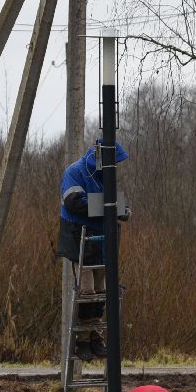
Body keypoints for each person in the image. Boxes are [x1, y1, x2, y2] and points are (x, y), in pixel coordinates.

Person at [57, 139, 129, 360]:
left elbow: (114, 205)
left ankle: (96, 338)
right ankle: (83, 341)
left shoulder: (104, 176)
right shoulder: (76, 172)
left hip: (102, 241)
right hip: (80, 239)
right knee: (86, 291)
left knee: (100, 292)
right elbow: (73, 202)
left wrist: (119, 209)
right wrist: (108, 207)